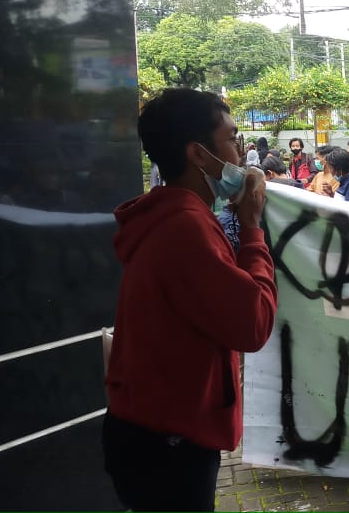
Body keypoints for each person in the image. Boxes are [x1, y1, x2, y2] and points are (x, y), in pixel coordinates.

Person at [104, 89, 277, 511]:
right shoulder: (186, 229)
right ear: (199, 155)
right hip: (170, 445)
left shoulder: (170, 216)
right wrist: (253, 229)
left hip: (150, 430)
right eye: (232, 139)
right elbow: (253, 323)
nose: (241, 152)